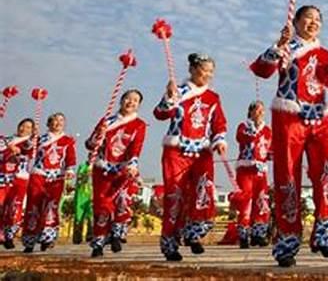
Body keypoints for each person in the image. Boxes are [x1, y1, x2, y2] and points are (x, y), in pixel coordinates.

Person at [250, 5, 328, 267]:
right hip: (289, 116)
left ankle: (325, 231)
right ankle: (288, 240)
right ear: (296, 22)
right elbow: (261, 70)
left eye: (317, 19)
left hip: (320, 119)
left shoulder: (326, 55)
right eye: (308, 18)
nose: (313, 23)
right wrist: (278, 45)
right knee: (287, 176)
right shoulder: (287, 48)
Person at [154, 53, 227, 261]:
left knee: (203, 191)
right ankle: (170, 244)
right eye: (205, 70)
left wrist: (220, 140)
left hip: (201, 153)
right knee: (175, 196)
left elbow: (219, 124)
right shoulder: (179, 92)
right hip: (176, 151)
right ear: (193, 70)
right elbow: (159, 114)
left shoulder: (213, 98)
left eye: (212, 71)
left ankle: (194, 234)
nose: (209, 75)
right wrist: (169, 98)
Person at [86, 89, 147, 257]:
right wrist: (99, 135)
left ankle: (116, 235)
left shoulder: (139, 124)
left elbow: (137, 147)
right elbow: (90, 144)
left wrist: (133, 163)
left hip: (124, 169)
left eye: (135, 100)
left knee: (122, 201)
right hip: (103, 169)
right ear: (121, 101)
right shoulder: (107, 121)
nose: (131, 102)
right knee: (102, 205)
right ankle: (98, 242)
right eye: (128, 98)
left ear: (138, 105)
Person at [21, 112, 76, 253]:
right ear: (49, 123)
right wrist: (30, 141)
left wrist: (69, 170)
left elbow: (70, 158)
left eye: (61, 120)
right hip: (39, 175)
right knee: (33, 206)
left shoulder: (68, 140)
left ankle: (47, 237)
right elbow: (26, 151)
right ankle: (30, 239)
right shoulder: (40, 139)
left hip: (57, 177)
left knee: (51, 206)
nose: (58, 123)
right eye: (55, 120)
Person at [233, 100, 272, 249]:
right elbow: (242, 138)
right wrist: (256, 132)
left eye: (262, 110)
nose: (261, 113)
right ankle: (243, 235)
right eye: (257, 110)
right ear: (250, 112)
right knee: (246, 202)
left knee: (261, 202)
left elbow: (270, 150)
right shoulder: (243, 127)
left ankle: (258, 234)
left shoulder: (267, 131)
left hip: (261, 172)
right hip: (246, 170)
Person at [0, 118, 35, 249]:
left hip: (21, 178)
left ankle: (9, 235)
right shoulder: (7, 140)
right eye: (22, 126)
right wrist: (9, 147)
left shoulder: (31, 143)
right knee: (1, 205)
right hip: (4, 177)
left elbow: (28, 149)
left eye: (28, 127)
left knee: (14, 208)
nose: (24, 129)